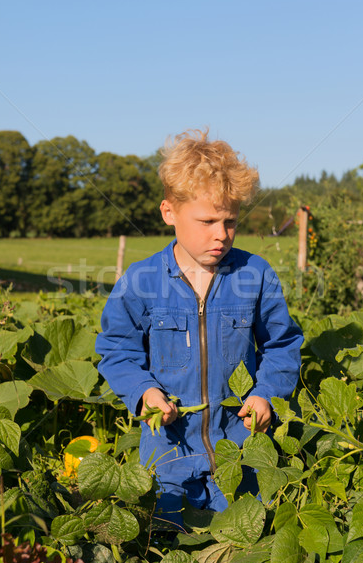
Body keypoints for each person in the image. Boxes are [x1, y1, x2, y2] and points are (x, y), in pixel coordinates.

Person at [95, 129, 303, 523]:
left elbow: (282, 344)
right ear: (169, 212)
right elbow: (117, 350)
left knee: (242, 547)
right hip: (167, 457)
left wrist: (267, 394)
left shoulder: (254, 274)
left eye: (230, 221)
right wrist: (143, 393)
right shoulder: (141, 280)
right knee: (166, 544)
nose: (221, 235)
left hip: (242, 457)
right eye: (207, 221)